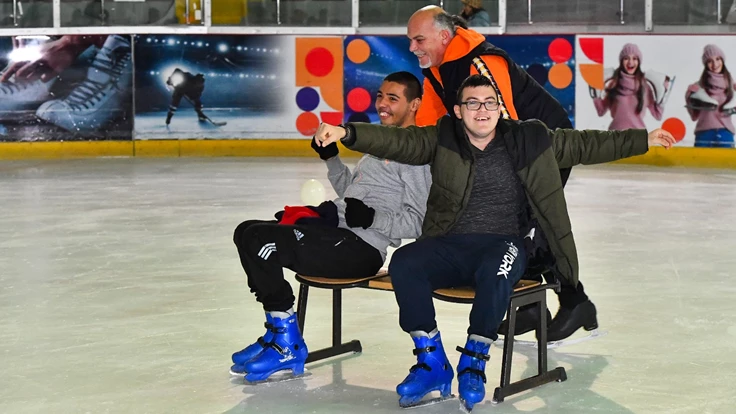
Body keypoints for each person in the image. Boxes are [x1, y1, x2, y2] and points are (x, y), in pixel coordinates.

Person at [314, 74, 676, 411]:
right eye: (472, 103)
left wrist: (643, 140)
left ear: (500, 108)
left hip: (504, 244)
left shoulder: (530, 138)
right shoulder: (443, 137)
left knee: (497, 269)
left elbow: (585, 144)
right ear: (459, 111)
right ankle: (431, 361)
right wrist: (347, 133)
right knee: (405, 262)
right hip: (451, 243)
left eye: (489, 102)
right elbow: (398, 141)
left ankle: (474, 361)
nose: (482, 110)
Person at [228, 71, 432, 383]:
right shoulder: (379, 147)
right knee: (246, 231)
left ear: (415, 104)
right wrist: (332, 158)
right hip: (337, 233)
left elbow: (419, 223)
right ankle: (276, 333)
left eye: (393, 98)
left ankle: (286, 343)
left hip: (360, 250)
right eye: (380, 96)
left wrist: (372, 219)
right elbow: (351, 196)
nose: (382, 104)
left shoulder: (416, 158)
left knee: (260, 239)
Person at [406, 5, 587, 342]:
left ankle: (576, 301)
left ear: (443, 36)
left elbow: (506, 124)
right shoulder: (437, 68)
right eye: (410, 40)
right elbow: (430, 129)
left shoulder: (481, 62)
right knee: (513, 224)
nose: (412, 47)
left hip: (544, 145)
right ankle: (530, 308)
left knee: (532, 222)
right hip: (515, 146)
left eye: (418, 40)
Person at [592, 43, 668, 131]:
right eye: (626, 58)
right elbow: (601, 111)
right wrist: (594, 91)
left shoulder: (645, 87)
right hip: (615, 135)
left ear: (639, 62)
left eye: (634, 58)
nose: (630, 62)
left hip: (637, 136)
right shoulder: (614, 84)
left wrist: (663, 95)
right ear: (621, 61)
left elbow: (658, 115)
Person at [685, 44, 736, 148]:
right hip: (704, 133)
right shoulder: (699, 87)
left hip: (726, 133)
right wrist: (689, 96)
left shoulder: (732, 86)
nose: (715, 64)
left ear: (722, 60)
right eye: (710, 61)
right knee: (699, 159)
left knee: (727, 159)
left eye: (718, 59)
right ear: (706, 64)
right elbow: (694, 115)